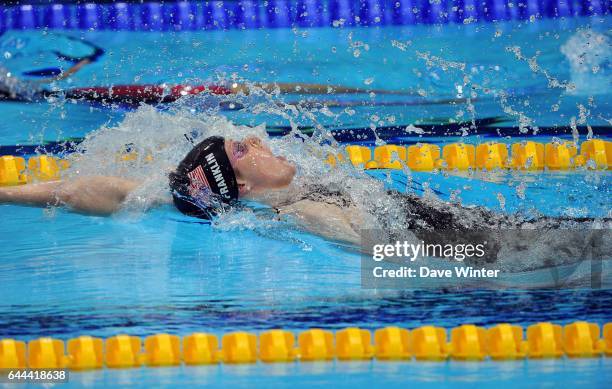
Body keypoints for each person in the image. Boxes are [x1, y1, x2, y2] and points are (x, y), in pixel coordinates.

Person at [1, 135, 608, 251]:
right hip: (470, 246)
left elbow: (107, 191)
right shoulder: (309, 211)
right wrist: (503, 260)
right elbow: (395, 258)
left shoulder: (215, 195)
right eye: (241, 151)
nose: (254, 137)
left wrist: (9, 193)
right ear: (239, 185)